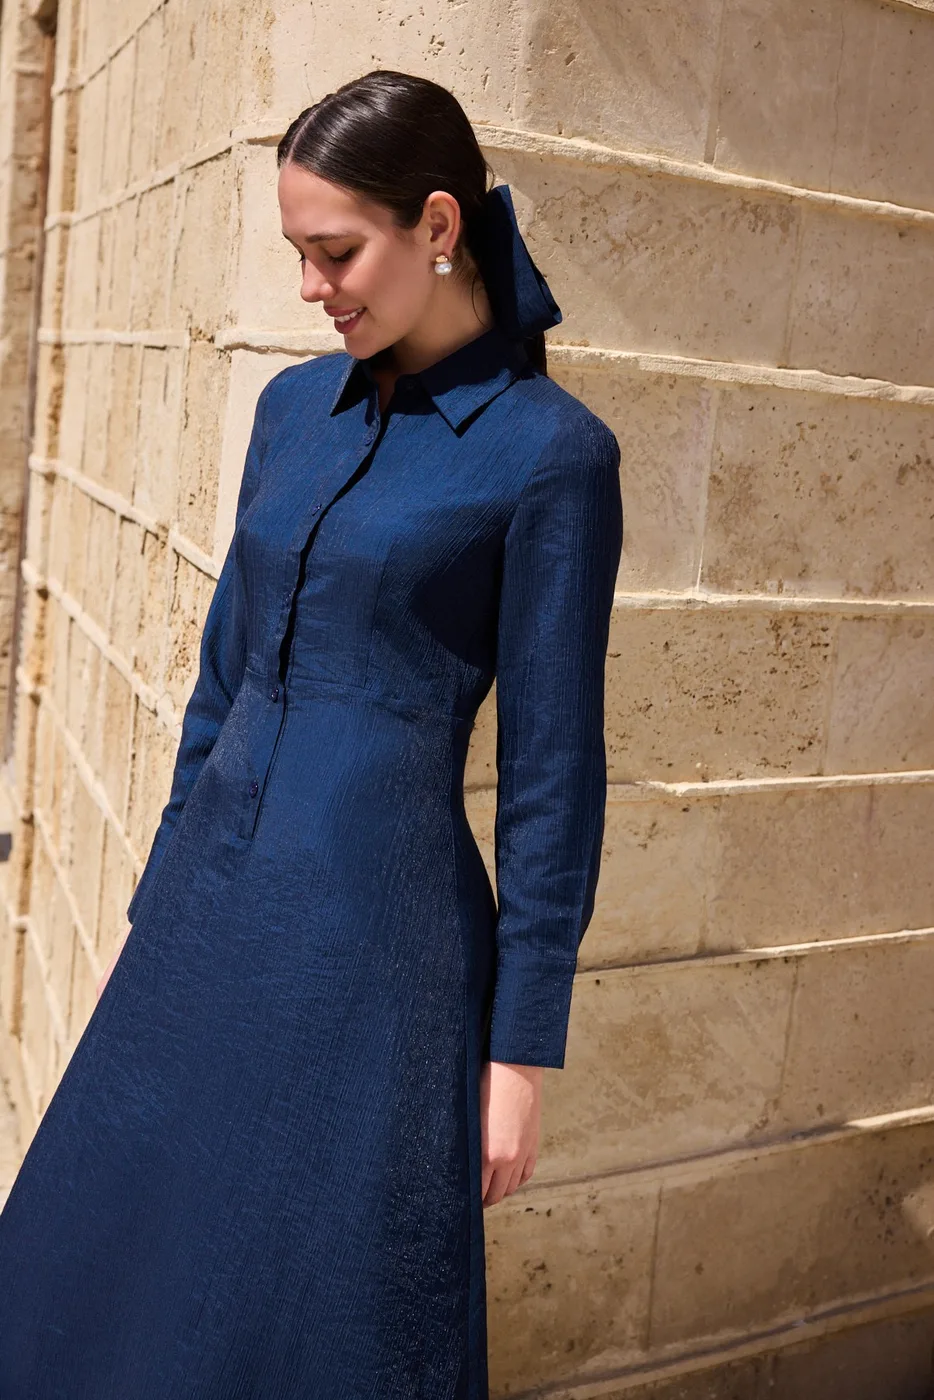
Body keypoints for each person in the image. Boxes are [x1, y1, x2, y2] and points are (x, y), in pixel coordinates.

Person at [0, 68, 623, 1400]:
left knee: (315, 1320)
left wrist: (520, 1051)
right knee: (98, 1269)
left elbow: (554, 776)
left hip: (375, 953)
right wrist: (156, 904)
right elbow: (222, 683)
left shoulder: (552, 455)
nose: (309, 286)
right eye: (297, 252)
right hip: (203, 919)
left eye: (334, 252)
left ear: (438, 225)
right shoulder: (291, 412)